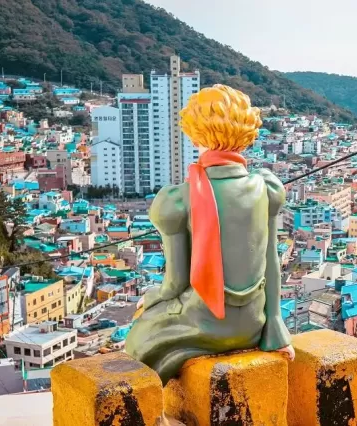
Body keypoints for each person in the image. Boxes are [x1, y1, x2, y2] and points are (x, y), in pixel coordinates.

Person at [126, 84, 294, 384]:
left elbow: (175, 284)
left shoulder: (178, 199)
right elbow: (271, 263)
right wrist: (276, 327)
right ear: (247, 134)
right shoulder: (266, 188)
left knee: (139, 338)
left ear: (194, 134)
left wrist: (152, 298)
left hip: (205, 325)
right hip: (253, 326)